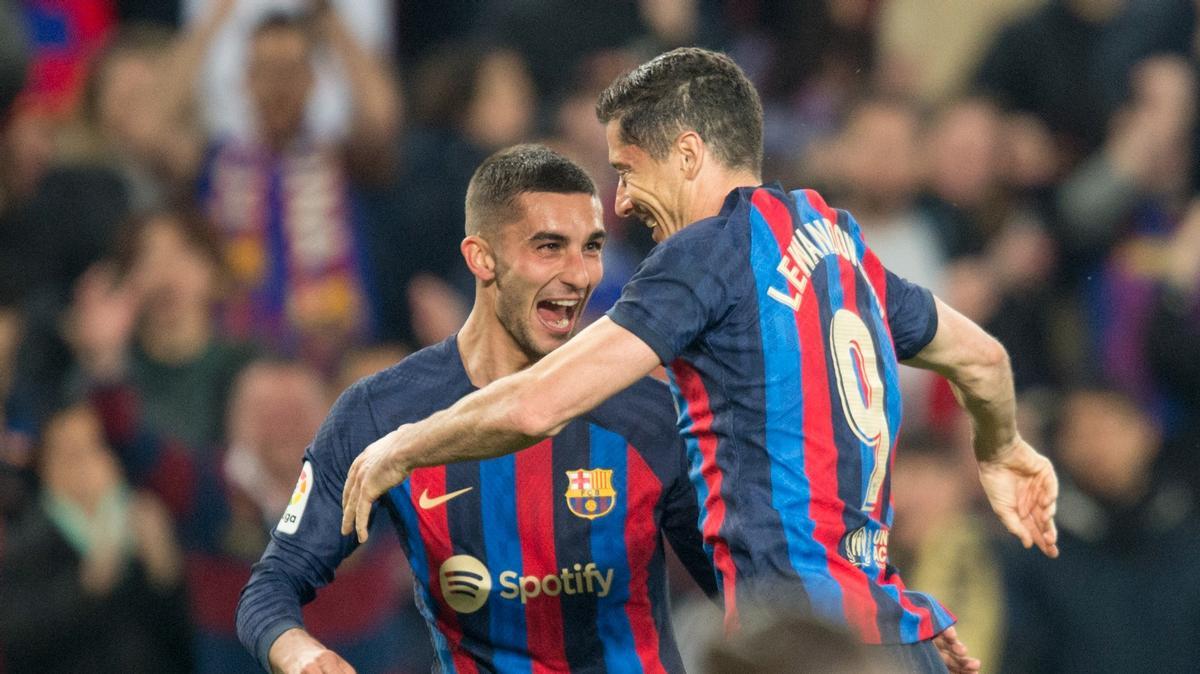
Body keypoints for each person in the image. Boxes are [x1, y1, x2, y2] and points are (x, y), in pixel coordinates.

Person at [341, 48, 1061, 673]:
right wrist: (1003, 447)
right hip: (893, 636)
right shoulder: (843, 244)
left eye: (627, 168)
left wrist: (404, 445)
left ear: (687, 155)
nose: (619, 199)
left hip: (801, 648)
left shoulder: (711, 251)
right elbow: (985, 359)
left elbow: (538, 403)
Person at [237, 144, 717, 672]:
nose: (580, 274)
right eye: (550, 247)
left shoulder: (650, 412)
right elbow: (272, 586)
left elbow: (740, 588)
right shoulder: (380, 413)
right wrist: (303, 655)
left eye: (592, 247)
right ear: (480, 257)